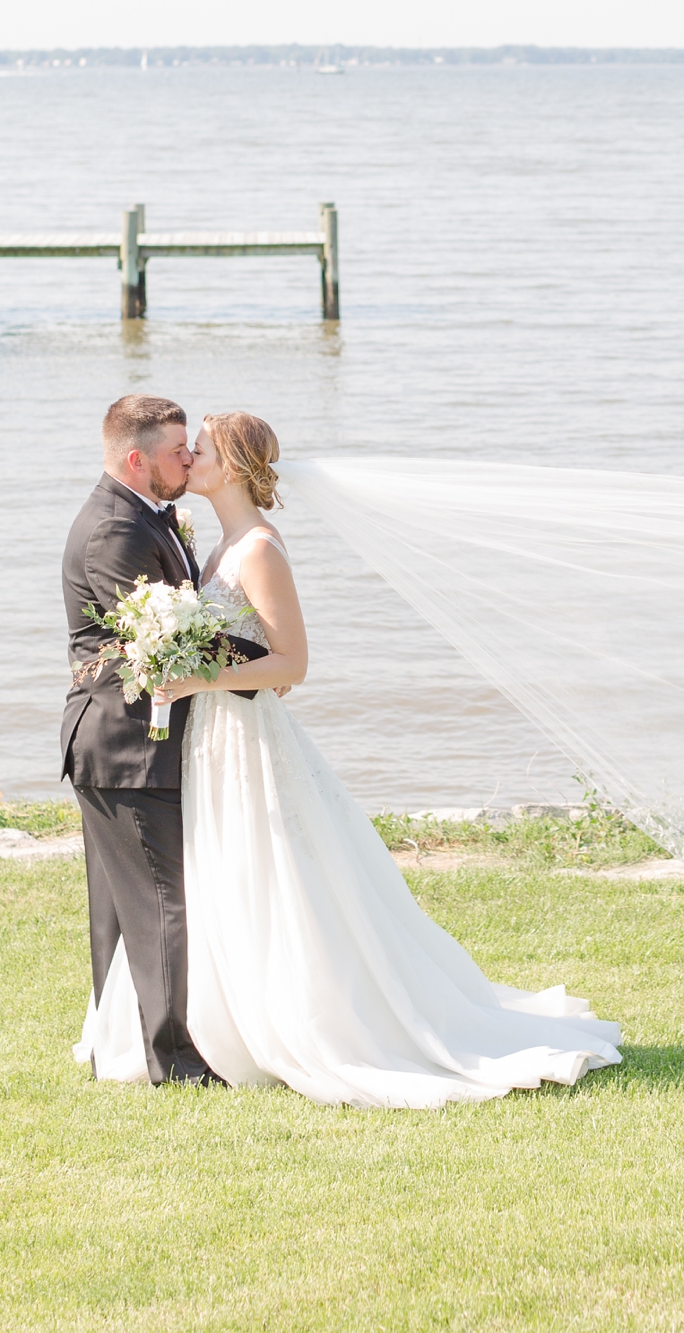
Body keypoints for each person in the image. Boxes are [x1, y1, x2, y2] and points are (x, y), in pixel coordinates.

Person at [77, 410, 622, 1107]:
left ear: (234, 467)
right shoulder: (215, 547)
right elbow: (254, 660)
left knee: (274, 876)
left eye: (202, 450)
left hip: (246, 741)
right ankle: (223, 1026)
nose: (189, 459)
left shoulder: (260, 550)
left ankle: (312, 1024)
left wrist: (197, 676)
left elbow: (292, 664)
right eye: (187, 450)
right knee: (227, 876)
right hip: (212, 740)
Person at [61, 394, 222, 1085]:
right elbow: (163, 643)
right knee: (162, 900)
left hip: (129, 739)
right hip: (125, 742)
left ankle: (116, 1043)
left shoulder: (146, 514)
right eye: (177, 450)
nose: (188, 459)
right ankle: (176, 1062)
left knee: (129, 908)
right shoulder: (113, 532)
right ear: (137, 459)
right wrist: (259, 663)